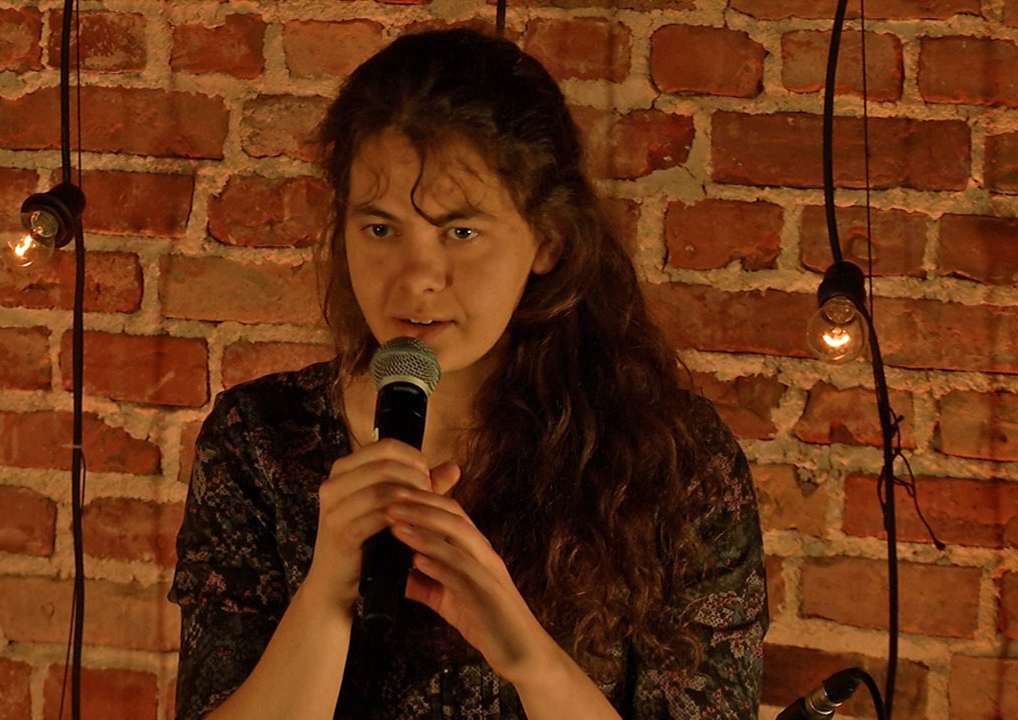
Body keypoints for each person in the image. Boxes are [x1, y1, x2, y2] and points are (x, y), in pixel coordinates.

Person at [167, 28, 767, 720]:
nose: (417, 277)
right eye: (381, 229)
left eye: (461, 232)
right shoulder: (258, 440)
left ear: (548, 240)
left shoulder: (675, 461)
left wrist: (527, 656)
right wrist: (326, 591)